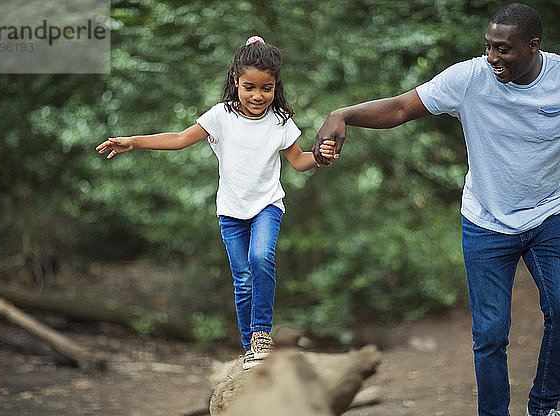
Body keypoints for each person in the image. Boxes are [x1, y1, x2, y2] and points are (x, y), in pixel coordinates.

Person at [314, 3, 560, 416]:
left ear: (533, 46)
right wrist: (343, 115)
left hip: (548, 214)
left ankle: (544, 404)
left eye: (504, 50)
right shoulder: (468, 78)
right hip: (486, 221)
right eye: (488, 47)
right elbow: (400, 108)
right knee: (490, 335)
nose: (493, 58)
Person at [97, 36, 333, 370]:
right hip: (231, 214)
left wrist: (321, 157)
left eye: (266, 88)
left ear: (275, 86)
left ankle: (262, 336)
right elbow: (179, 139)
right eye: (249, 86)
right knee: (243, 279)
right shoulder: (221, 117)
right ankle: (250, 347)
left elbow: (299, 161)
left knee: (261, 258)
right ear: (236, 80)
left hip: (267, 205)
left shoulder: (280, 122)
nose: (257, 96)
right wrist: (133, 141)